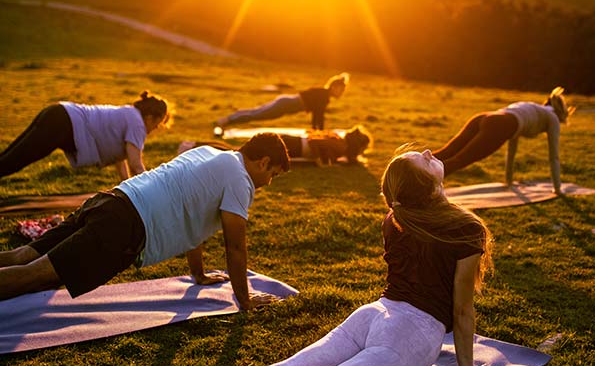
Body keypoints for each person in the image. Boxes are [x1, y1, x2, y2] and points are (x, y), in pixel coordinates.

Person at [123, 146, 505, 366]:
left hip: (375, 315)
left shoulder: (396, 218)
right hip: (411, 336)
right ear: (427, 187)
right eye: (418, 160)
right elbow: (461, 310)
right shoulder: (464, 228)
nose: (425, 152)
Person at [0, 133, 290, 309]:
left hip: (109, 200)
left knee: (24, 255)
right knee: (36, 275)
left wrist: (198, 275)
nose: (269, 182)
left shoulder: (211, 154)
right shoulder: (240, 180)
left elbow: (194, 224)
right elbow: (235, 248)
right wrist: (246, 300)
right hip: (123, 226)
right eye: (272, 174)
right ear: (263, 162)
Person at [0, 90, 172, 181]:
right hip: (62, 122)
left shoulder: (129, 114)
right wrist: (151, 190)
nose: (156, 128)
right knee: (12, 162)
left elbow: (122, 160)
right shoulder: (137, 124)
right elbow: (136, 165)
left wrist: (126, 187)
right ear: (150, 117)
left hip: (58, 113)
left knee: (9, 157)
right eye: (158, 124)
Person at [433, 87, 575, 194]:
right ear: (561, 114)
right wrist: (557, 189)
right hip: (499, 125)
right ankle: (420, 189)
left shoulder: (532, 108)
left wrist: (508, 181)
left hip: (484, 117)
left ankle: (413, 165)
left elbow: (512, 145)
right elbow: (554, 157)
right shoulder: (553, 118)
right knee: (458, 161)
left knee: (447, 152)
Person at [214, 73, 349, 134]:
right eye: (341, 90)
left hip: (284, 103)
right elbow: (318, 115)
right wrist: (318, 133)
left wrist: (318, 130)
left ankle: (227, 119)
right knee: (257, 115)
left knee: (256, 112)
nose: (341, 93)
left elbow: (318, 116)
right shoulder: (323, 95)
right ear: (334, 87)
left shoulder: (323, 93)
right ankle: (226, 120)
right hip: (284, 105)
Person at [181, 124, 373, 166]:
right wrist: (319, 161)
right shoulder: (342, 145)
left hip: (292, 142)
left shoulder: (341, 142)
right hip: (291, 144)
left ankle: (193, 145)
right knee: (238, 152)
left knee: (237, 150)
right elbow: (316, 142)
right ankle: (192, 146)